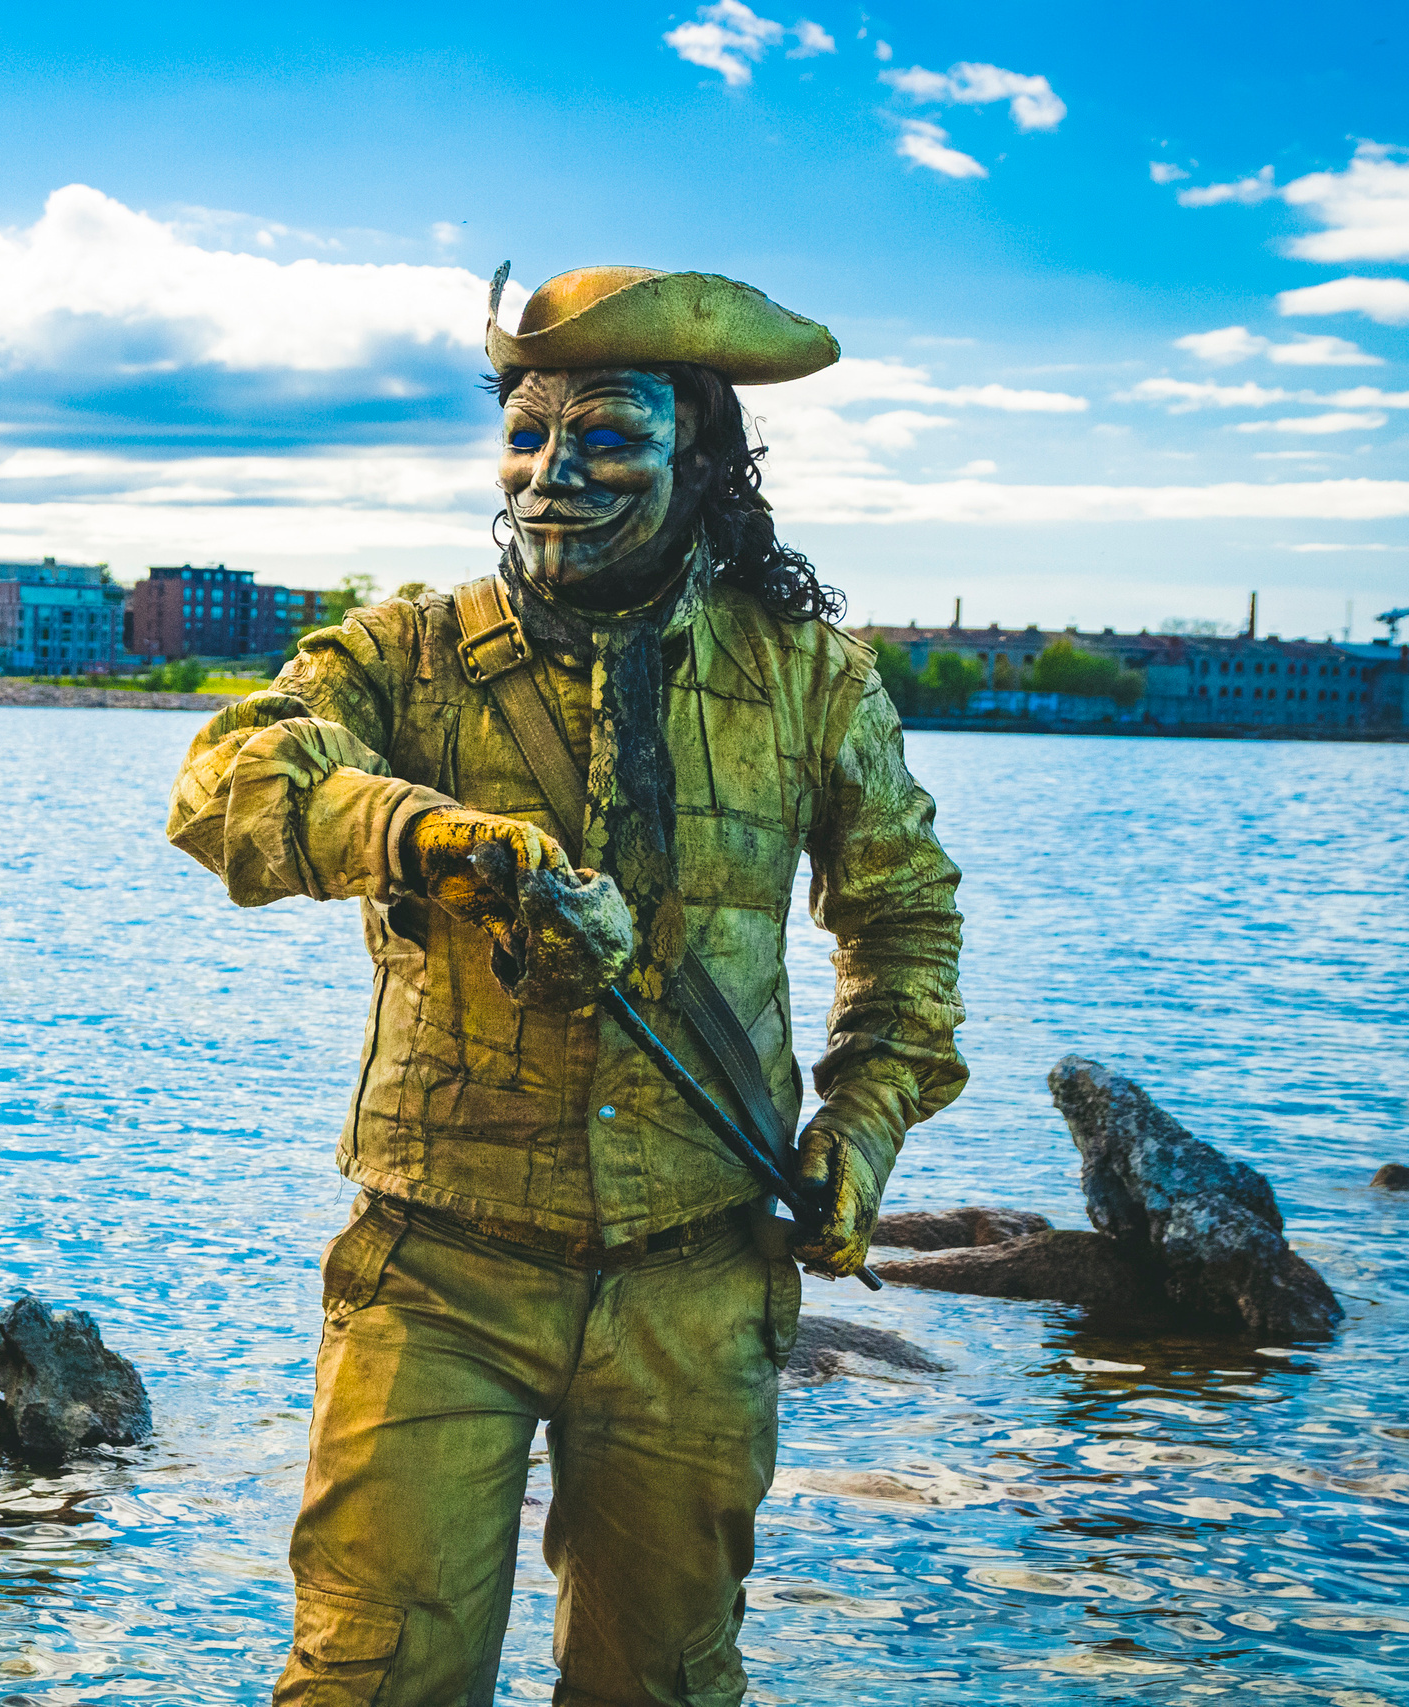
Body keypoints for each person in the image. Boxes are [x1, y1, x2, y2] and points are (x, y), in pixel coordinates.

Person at [167, 265, 967, 1705]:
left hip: (699, 1288)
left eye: (607, 435)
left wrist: (863, 1128)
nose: (553, 474)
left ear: (705, 456)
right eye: (528, 435)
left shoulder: (810, 679)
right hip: (435, 1275)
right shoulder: (404, 651)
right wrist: (421, 833)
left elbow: (906, 931)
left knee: (657, 1686)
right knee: (368, 1679)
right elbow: (227, 782)